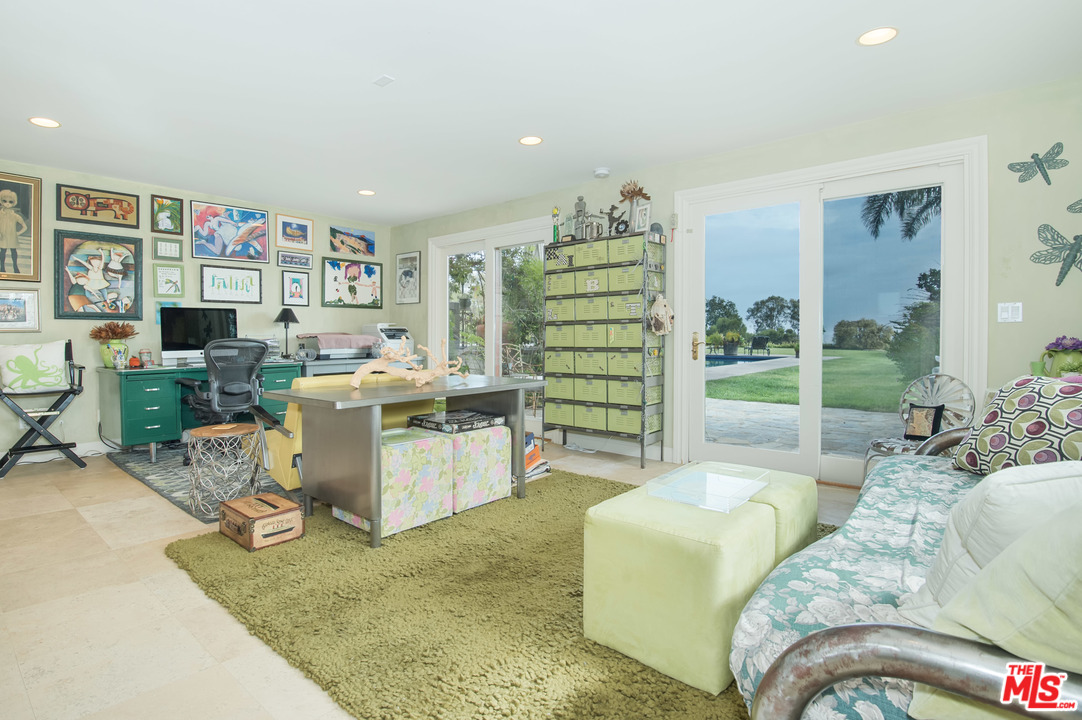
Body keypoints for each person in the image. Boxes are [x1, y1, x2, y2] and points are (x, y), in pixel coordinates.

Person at [0, 188, 29, 274]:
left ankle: (15, 267)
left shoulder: (15, 216)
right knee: (3, 251)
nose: (7, 204)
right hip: (2, 236)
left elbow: (25, 226)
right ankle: (2, 267)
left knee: (13, 251)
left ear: (14, 202)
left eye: (10, 202)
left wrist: (18, 233)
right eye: (4, 201)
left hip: (12, 236)